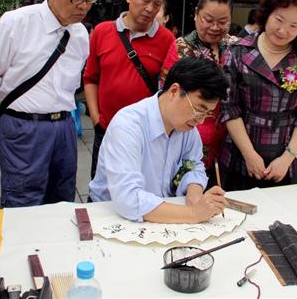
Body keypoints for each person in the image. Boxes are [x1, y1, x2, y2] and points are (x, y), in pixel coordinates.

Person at [0, 0, 96, 207]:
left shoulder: (80, 34)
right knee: (22, 203)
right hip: (22, 127)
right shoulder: (16, 23)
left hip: (64, 127)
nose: (83, 6)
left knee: (62, 201)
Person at [89, 57, 229, 223]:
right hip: (112, 217)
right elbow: (128, 199)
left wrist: (194, 193)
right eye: (199, 110)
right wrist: (193, 214)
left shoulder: (186, 127)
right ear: (174, 91)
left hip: (162, 213)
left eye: (208, 113)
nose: (201, 121)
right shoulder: (128, 126)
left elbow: (191, 164)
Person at [219, 0, 297, 190]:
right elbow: (229, 109)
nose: (283, 30)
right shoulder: (237, 52)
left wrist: (287, 158)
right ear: (267, 13)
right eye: (279, 20)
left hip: (287, 159)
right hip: (241, 152)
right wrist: (249, 154)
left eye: (294, 25)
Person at [83, 0, 175, 181]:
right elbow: (90, 78)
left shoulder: (167, 39)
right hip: (106, 128)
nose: (150, 9)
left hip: (145, 134)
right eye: (145, 1)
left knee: (141, 187)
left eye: (157, 4)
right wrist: (96, 118)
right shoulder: (102, 31)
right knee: (101, 190)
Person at [160, 0, 237, 188]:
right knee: (188, 189)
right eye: (208, 20)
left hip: (229, 137)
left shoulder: (236, 48)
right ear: (196, 15)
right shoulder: (181, 48)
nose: (215, 27)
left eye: (222, 22)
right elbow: (166, 95)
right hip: (188, 134)